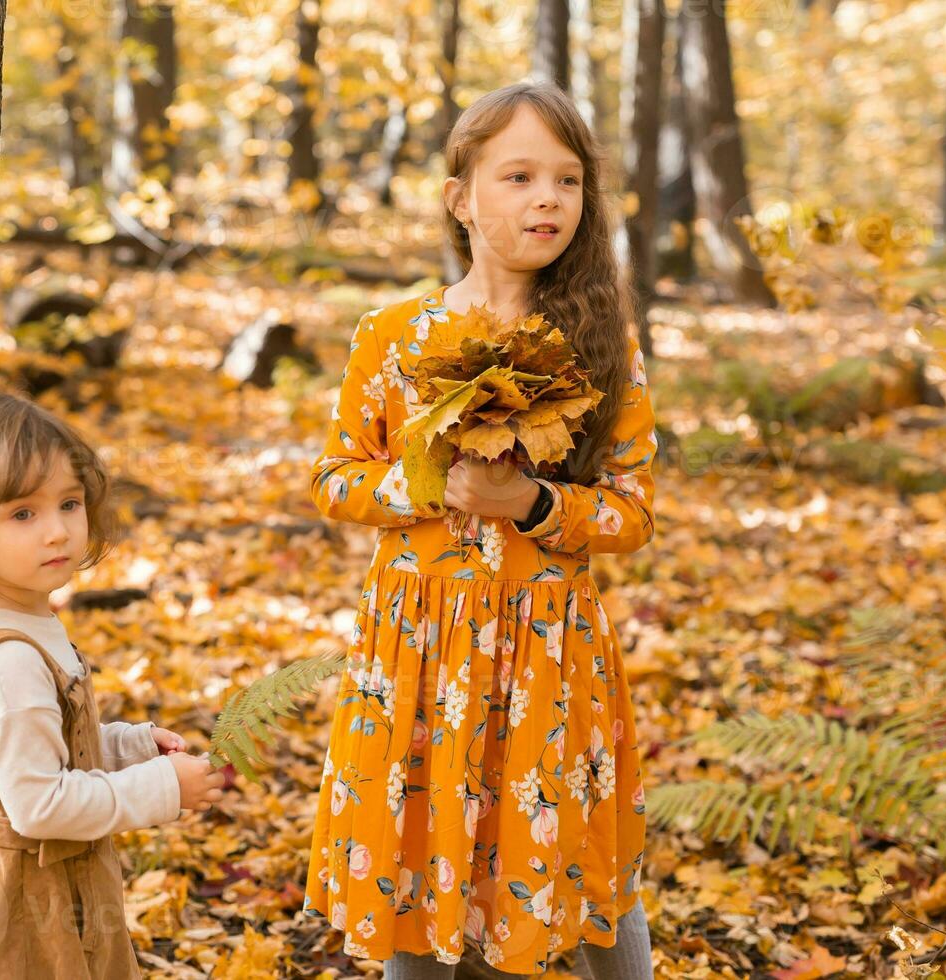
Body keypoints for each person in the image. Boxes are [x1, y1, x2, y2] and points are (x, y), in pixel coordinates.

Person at [300, 81, 657, 979]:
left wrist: (533, 507)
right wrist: (426, 483)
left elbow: (633, 509)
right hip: (420, 651)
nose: (547, 199)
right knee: (421, 869)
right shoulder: (393, 334)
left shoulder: (601, 338)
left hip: (546, 649)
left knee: (571, 868)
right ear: (462, 198)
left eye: (568, 181)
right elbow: (335, 478)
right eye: (519, 176)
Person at [0, 390, 226, 978]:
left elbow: (34, 746)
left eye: (69, 504)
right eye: (23, 514)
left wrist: (127, 747)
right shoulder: (8, 662)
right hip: (20, 909)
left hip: (30, 881)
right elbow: (39, 805)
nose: (57, 532)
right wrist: (161, 790)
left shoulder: (14, 614)